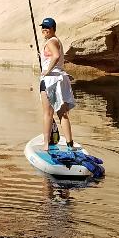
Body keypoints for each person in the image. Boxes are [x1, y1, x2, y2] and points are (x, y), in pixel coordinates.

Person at [37, 17, 76, 150]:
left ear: (53, 29)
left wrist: (47, 71)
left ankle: (46, 144)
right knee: (62, 113)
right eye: (43, 27)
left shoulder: (50, 42)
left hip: (51, 81)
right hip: (61, 79)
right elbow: (54, 55)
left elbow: (56, 56)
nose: (44, 30)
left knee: (47, 114)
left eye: (47, 28)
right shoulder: (56, 41)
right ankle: (70, 144)